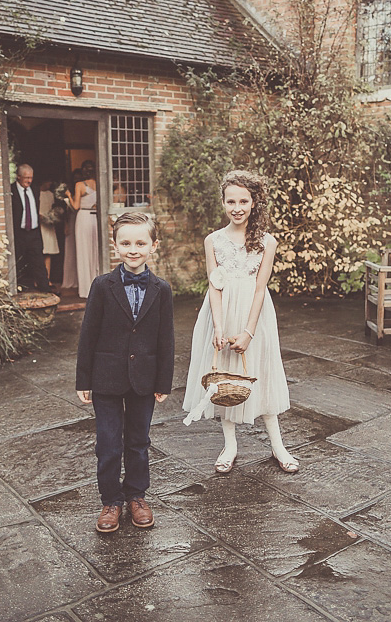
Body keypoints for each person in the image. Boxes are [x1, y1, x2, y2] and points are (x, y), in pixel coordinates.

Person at [182, 170, 299, 474]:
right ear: (222, 202)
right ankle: (230, 445)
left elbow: (260, 288)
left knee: (261, 372)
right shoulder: (213, 240)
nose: (237, 207)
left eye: (243, 201)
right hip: (220, 312)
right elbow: (214, 285)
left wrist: (248, 331)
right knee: (225, 378)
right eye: (230, 201)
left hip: (254, 316)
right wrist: (218, 327)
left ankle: (278, 446)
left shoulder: (266, 242)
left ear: (253, 202)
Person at [76, 212, 175, 534]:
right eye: (126, 243)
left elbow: (166, 338)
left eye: (141, 243)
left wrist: (163, 381)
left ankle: (136, 496)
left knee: (138, 441)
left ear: (153, 245)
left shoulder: (162, 289)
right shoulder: (102, 286)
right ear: (115, 245)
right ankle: (111, 500)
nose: (133, 249)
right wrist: (84, 379)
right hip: (106, 377)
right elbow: (88, 334)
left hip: (143, 379)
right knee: (108, 444)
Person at [9, 164, 53, 293]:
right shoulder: (11, 190)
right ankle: (21, 292)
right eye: (26, 177)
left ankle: (46, 291)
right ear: (18, 177)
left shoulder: (34, 189)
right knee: (20, 264)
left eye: (31, 177)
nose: (29, 180)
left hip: (34, 233)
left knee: (39, 263)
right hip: (19, 234)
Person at [69, 160, 99, 298]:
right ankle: (96, 284)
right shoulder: (99, 183)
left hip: (83, 218)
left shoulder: (79, 185)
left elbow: (75, 206)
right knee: (95, 250)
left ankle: (86, 288)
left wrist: (69, 196)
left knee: (83, 251)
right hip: (96, 218)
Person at [36, 178, 61, 289]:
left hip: (49, 224)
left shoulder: (51, 194)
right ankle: (38, 279)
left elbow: (53, 208)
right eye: (48, 181)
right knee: (40, 253)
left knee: (49, 252)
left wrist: (52, 217)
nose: (49, 183)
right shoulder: (37, 193)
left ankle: (48, 279)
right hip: (39, 225)